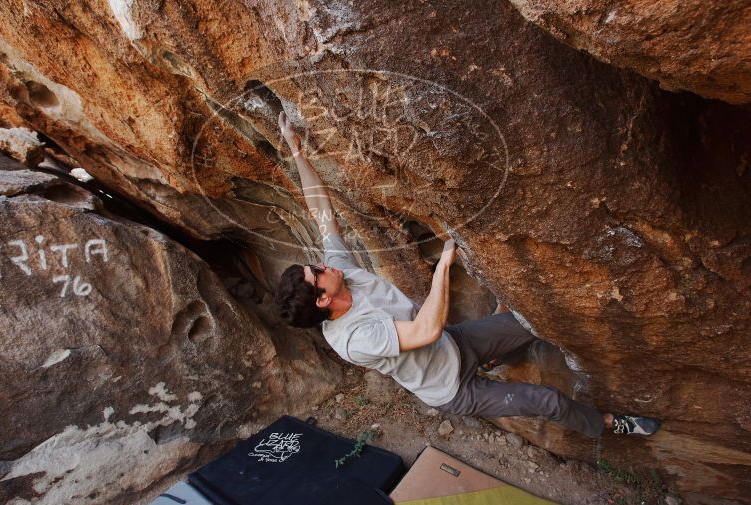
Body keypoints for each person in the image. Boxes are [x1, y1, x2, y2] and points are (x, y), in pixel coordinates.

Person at [274, 112, 660, 438]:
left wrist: (296, 151)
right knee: (548, 401)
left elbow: (321, 213)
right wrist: (443, 265)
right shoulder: (355, 339)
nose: (325, 266)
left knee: (531, 322)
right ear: (323, 299)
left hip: (456, 344)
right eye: (317, 274)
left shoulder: (342, 273)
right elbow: (426, 330)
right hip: (452, 387)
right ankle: (609, 424)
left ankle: (495, 355)